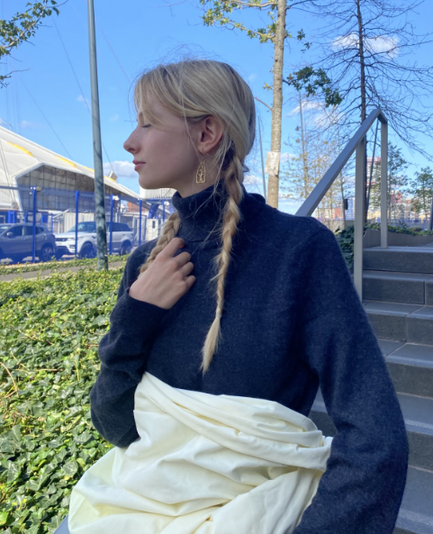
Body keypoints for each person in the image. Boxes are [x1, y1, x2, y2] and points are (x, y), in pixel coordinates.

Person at [71, 59, 408, 533]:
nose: (130, 141)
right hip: (135, 510)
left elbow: (377, 438)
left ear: (206, 132)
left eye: (147, 123)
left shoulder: (299, 250)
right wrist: (135, 316)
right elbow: (118, 427)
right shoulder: (147, 263)